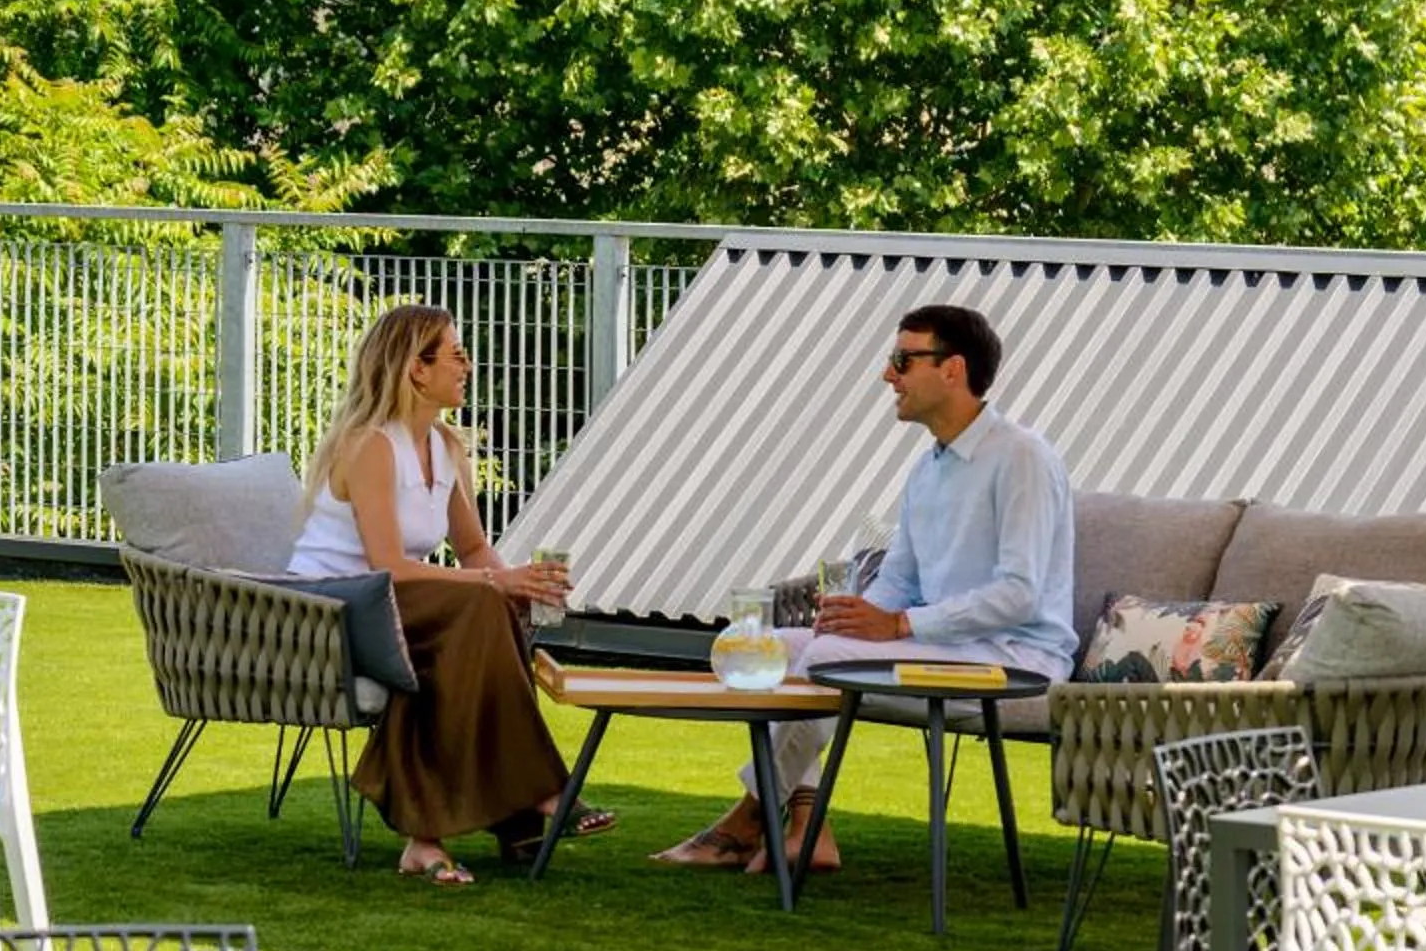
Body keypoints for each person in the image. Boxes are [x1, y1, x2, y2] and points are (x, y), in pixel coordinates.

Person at [656, 302, 1075, 874]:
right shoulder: (928, 469)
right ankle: (808, 823)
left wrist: (899, 626)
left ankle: (749, 821)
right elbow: (899, 579)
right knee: (765, 646)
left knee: (825, 659)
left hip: (1017, 660)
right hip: (950, 649)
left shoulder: (1022, 456)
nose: (888, 375)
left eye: (903, 359)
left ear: (952, 369)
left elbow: (1020, 594)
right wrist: (858, 617)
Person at [290, 303, 611, 884]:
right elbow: (387, 564)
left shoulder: (446, 448)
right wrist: (496, 584)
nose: (467, 365)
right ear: (417, 368)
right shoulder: (370, 446)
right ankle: (538, 797)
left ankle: (434, 840)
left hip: (396, 603)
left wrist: (523, 583)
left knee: (490, 615)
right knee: (482, 605)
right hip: (333, 607)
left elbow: (473, 550)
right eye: (456, 354)